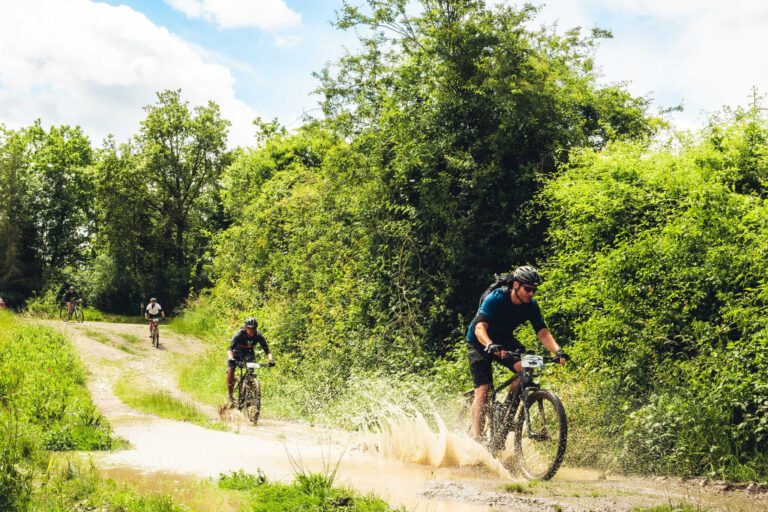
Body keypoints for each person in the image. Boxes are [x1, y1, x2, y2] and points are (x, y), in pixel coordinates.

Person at [466, 265, 568, 440]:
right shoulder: (496, 298)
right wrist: (490, 345)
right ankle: (477, 438)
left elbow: (542, 332)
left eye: (534, 290)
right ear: (515, 285)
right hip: (480, 341)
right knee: (483, 391)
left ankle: (506, 414)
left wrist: (558, 351)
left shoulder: (531, 306)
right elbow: (480, 327)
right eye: (527, 289)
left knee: (526, 368)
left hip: (504, 339)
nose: (531, 293)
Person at [226, 317, 274, 406]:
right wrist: (231, 358)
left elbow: (267, 350)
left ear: (256, 328)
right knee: (231, 369)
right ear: (246, 327)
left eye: (253, 329)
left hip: (248, 353)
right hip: (235, 353)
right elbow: (229, 348)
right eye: (249, 328)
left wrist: (271, 360)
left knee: (251, 372)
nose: (251, 331)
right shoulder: (239, 334)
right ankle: (230, 396)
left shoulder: (258, 335)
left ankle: (249, 394)